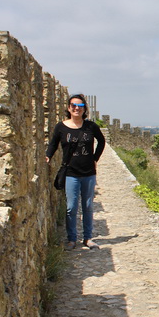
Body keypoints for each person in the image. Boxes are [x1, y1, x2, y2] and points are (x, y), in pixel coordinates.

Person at [46, 94, 105, 250]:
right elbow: (53, 144)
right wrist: (47, 157)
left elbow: (102, 141)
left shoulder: (91, 126)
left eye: (80, 106)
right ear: (68, 108)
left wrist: (95, 158)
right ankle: (72, 239)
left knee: (87, 206)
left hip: (89, 173)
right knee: (71, 207)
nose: (76, 108)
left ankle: (87, 238)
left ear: (84, 109)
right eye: (73, 105)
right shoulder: (61, 127)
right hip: (71, 172)